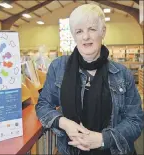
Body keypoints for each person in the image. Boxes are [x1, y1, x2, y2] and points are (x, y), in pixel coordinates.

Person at [35, 3, 143, 155]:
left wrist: (103, 139)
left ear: (103, 31)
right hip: (70, 150)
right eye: (79, 31)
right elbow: (43, 105)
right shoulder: (58, 67)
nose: (85, 36)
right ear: (74, 35)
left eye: (92, 29)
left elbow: (136, 120)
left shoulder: (122, 74)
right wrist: (64, 123)